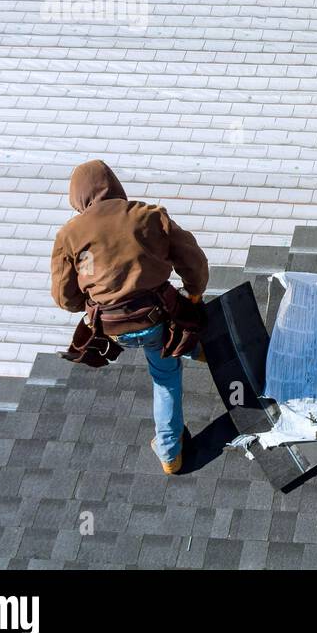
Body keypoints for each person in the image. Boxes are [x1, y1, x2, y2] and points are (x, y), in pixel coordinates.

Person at [50, 160, 208, 474]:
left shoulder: (69, 236)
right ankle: (169, 453)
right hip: (157, 318)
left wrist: (101, 298)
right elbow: (193, 261)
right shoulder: (147, 216)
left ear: (79, 197)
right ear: (114, 186)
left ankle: (194, 349)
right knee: (165, 376)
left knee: (162, 347)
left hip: (112, 328)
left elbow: (66, 299)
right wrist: (193, 293)